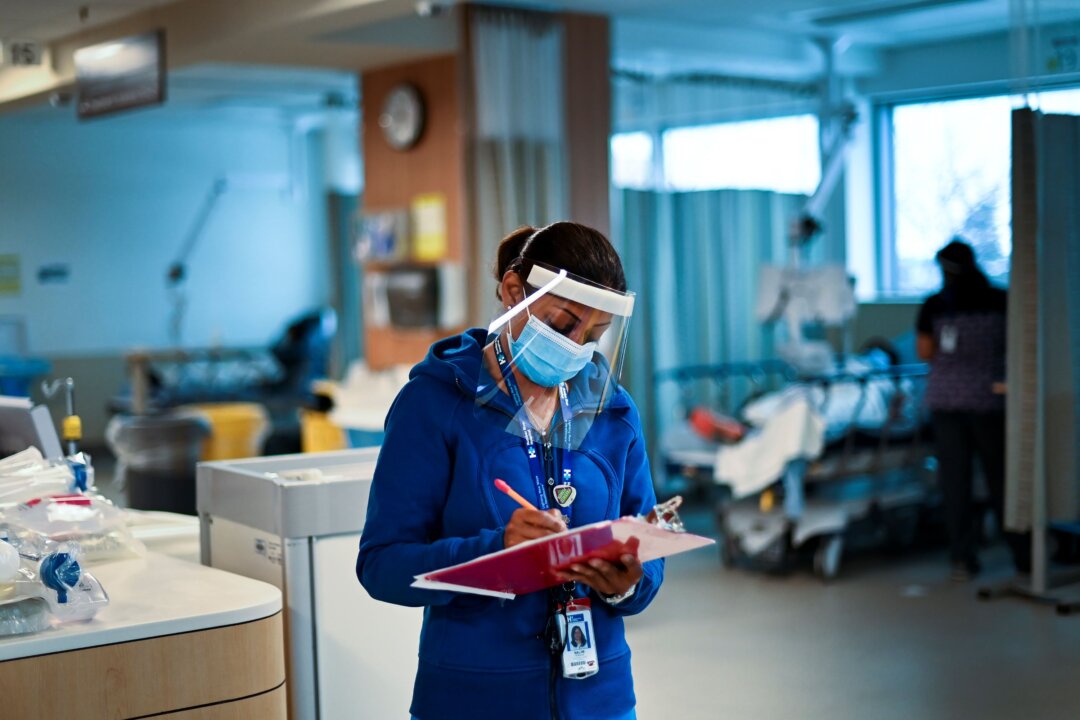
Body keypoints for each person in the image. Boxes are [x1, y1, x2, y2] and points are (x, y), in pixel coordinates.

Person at [357, 221, 664, 720]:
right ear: (512, 291)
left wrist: (629, 580)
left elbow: (649, 543)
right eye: (564, 325)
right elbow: (381, 566)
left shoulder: (612, 412)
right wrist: (495, 551)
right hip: (474, 697)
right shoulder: (434, 406)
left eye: (596, 334)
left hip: (600, 698)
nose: (577, 346)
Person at [916, 237, 1020, 581]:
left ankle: (963, 556)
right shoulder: (1000, 300)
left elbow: (925, 352)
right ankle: (1023, 552)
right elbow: (1013, 344)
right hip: (988, 401)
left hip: (947, 403)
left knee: (956, 482)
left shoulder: (934, 305)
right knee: (1000, 477)